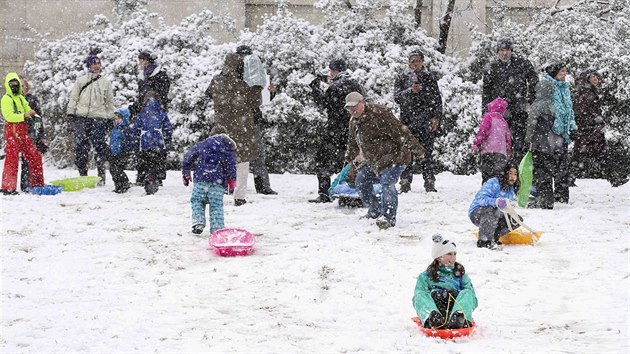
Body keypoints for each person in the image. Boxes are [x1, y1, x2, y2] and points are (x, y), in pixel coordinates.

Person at [344, 92, 424, 230]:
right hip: (375, 161)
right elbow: (352, 143)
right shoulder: (354, 122)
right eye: (349, 108)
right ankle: (374, 210)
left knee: (387, 183)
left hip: (395, 156)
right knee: (361, 181)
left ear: (362, 102)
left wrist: (418, 150)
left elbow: (401, 132)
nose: (352, 110)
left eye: (355, 106)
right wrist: (349, 158)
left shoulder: (379, 114)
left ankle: (388, 217)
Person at [207, 53, 259, 206]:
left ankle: (213, 192)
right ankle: (239, 196)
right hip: (241, 128)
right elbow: (256, 101)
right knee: (242, 162)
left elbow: (209, 94)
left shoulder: (216, 81)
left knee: (217, 160)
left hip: (221, 126)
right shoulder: (244, 84)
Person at [309, 58, 364, 203]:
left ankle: (324, 193)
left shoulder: (335, 87)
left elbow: (324, 103)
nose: (330, 73)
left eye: (331, 70)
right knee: (352, 161)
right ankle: (353, 189)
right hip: (352, 128)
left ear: (335, 71)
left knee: (322, 160)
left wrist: (315, 88)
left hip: (335, 130)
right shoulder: (355, 84)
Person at [525, 63, 576, 209]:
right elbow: (549, 112)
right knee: (547, 166)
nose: (564, 74)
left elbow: (568, 110)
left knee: (560, 165)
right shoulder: (547, 87)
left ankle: (560, 196)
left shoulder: (565, 88)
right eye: (561, 71)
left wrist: (571, 127)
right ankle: (547, 197)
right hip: (550, 132)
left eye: (565, 71)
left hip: (560, 134)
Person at [394, 50, 443, 193]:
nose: (414, 63)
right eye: (411, 61)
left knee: (427, 153)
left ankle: (429, 181)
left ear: (422, 62)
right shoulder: (402, 77)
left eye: (417, 60)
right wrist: (410, 91)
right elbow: (397, 97)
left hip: (425, 119)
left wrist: (436, 117)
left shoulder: (429, 77)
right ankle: (405, 181)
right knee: (406, 152)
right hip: (407, 120)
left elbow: (436, 100)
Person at [482, 38, 538, 163]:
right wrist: (486, 113)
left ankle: (516, 172)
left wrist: (530, 100)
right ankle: (503, 173)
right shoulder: (492, 68)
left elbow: (534, 81)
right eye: (502, 50)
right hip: (498, 114)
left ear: (511, 51)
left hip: (519, 111)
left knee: (519, 143)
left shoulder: (522, 63)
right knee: (500, 146)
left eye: (507, 50)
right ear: (497, 52)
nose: (504, 53)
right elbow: (486, 92)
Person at [571, 69, 628, 187]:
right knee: (592, 154)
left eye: (596, 77)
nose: (595, 79)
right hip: (588, 130)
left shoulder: (589, 91)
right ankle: (614, 178)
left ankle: (568, 178)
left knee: (588, 154)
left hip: (591, 130)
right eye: (592, 77)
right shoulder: (584, 92)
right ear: (586, 79)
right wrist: (594, 120)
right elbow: (582, 111)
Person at [66, 53, 115, 184]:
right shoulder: (81, 80)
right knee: (81, 147)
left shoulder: (105, 82)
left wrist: (110, 117)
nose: (97, 66)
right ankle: (83, 174)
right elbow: (74, 98)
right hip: (81, 117)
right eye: (94, 63)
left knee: (100, 146)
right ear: (89, 66)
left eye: (98, 63)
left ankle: (101, 175)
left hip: (99, 117)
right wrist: (71, 114)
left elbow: (109, 101)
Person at [236, 45, 278, 195]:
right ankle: (260, 186)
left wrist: (270, 93)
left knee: (254, 154)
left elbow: (262, 100)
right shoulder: (234, 76)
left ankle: (260, 186)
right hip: (243, 119)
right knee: (250, 155)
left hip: (247, 119)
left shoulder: (253, 75)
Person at [412, 234, 477, 329]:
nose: (453, 257)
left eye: (455, 254)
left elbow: (473, 300)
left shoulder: (461, 274)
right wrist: (438, 295)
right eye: (449, 254)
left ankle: (459, 318)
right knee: (420, 295)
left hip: (455, 307)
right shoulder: (426, 276)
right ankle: (432, 318)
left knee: (467, 292)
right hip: (435, 307)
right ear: (439, 257)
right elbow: (418, 298)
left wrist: (456, 295)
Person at [182, 125, 237, 235]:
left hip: (201, 179)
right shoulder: (227, 147)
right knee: (216, 206)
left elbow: (188, 156)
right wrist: (231, 180)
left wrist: (186, 173)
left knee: (197, 200)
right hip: (218, 181)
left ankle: (198, 222)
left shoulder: (203, 144)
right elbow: (230, 165)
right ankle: (217, 229)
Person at [130, 50, 170, 186]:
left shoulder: (159, 75)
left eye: (141, 60)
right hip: (145, 113)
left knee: (155, 147)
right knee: (144, 147)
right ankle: (144, 175)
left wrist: (152, 105)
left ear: (146, 60)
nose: (139, 63)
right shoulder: (143, 77)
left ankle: (155, 176)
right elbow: (142, 97)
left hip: (155, 114)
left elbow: (161, 96)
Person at [1, 73, 45, 195]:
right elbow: (9, 116)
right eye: (12, 85)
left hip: (23, 132)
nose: (15, 87)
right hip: (12, 133)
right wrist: (23, 116)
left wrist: (32, 113)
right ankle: (8, 187)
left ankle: (37, 184)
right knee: (12, 160)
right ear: (8, 86)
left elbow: (27, 108)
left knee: (34, 155)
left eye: (16, 84)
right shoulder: (6, 99)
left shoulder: (21, 98)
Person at [468, 162, 521, 249]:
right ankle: (484, 241)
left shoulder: (510, 189)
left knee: (516, 219)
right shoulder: (493, 182)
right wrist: (495, 201)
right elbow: (480, 199)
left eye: (515, 174)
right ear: (505, 173)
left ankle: (493, 237)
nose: (513, 177)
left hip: (495, 216)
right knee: (491, 209)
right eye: (510, 173)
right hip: (477, 213)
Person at [132, 93, 173, 195]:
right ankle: (156, 178)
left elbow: (136, 130)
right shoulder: (162, 114)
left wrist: (136, 142)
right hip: (159, 143)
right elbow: (168, 129)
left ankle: (146, 177)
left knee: (146, 162)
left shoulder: (141, 115)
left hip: (145, 143)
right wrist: (167, 140)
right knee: (157, 162)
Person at [471, 97, 512, 184]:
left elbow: (482, 131)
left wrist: (476, 144)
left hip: (488, 151)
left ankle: (486, 192)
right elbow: (508, 139)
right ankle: (496, 192)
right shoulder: (504, 122)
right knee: (498, 175)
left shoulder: (488, 117)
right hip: (501, 153)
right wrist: (508, 151)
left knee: (487, 175)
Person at [20, 78, 48, 192]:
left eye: (23, 85)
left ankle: (32, 183)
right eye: (19, 85)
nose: (21, 88)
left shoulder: (32, 99)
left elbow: (38, 118)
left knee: (32, 158)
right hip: (20, 132)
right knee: (25, 160)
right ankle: (25, 183)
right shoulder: (14, 100)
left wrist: (40, 134)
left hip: (32, 131)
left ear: (27, 87)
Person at [109, 107, 133, 194]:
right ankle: (119, 184)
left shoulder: (126, 129)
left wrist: (126, 150)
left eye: (118, 118)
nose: (116, 120)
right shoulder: (114, 129)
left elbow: (130, 141)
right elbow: (112, 140)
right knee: (113, 169)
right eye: (115, 118)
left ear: (124, 119)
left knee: (117, 169)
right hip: (114, 152)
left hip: (122, 153)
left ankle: (123, 184)